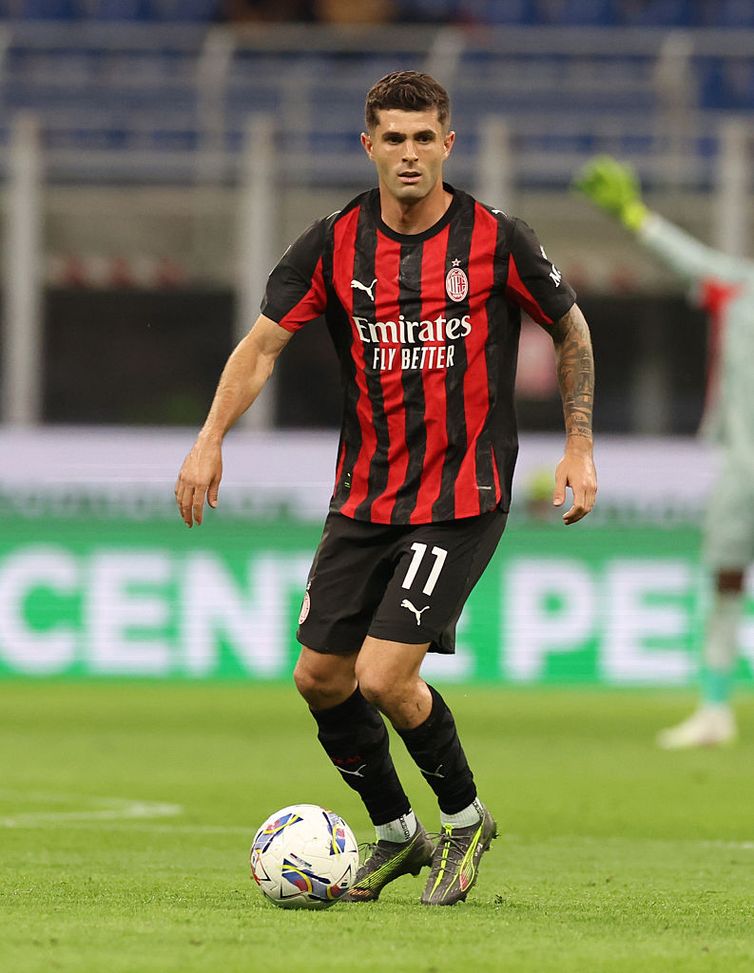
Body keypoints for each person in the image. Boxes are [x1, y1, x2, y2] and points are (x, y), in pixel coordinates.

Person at [176, 71, 596, 904]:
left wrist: (579, 442)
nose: (409, 153)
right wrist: (209, 437)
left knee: (383, 677)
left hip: (462, 492)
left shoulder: (496, 238)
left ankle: (465, 818)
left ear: (449, 141)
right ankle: (397, 833)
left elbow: (570, 327)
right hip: (365, 497)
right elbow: (262, 346)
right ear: (368, 146)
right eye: (393, 139)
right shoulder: (333, 244)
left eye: (423, 136)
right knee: (320, 679)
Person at [574, 154, 751, 749]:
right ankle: (715, 707)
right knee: (725, 579)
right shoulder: (738, 286)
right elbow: (683, 260)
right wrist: (633, 216)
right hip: (741, 469)